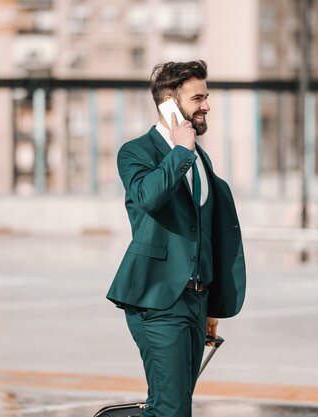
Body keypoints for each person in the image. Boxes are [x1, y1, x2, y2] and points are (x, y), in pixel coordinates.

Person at [107, 60, 247, 417]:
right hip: (157, 302)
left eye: (206, 96)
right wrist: (180, 151)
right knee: (170, 410)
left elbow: (205, 232)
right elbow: (149, 196)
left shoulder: (201, 158)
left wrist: (211, 305)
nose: (206, 105)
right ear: (170, 102)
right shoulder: (137, 152)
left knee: (174, 408)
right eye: (198, 97)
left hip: (195, 305)